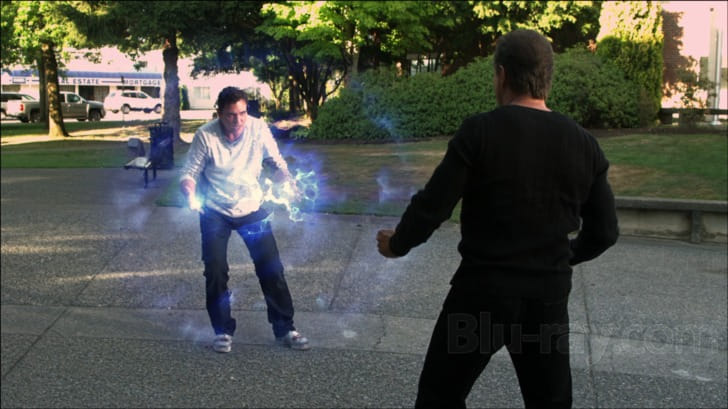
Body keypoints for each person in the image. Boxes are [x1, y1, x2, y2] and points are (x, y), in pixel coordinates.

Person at [376, 29, 618, 408]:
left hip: (481, 297)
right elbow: (604, 232)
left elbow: (434, 204)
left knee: (440, 397)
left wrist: (398, 244)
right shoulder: (584, 144)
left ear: (502, 75)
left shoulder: (480, 131)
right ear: (547, 77)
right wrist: (563, 256)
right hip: (545, 300)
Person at [180, 86, 310, 353]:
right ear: (219, 113)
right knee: (215, 270)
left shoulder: (257, 129)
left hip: (251, 206)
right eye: (231, 115)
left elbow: (275, 162)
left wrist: (287, 182)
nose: (238, 120)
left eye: (242, 113)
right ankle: (222, 331)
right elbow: (190, 172)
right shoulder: (206, 135)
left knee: (271, 267)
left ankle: (285, 328)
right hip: (215, 210)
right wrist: (189, 192)